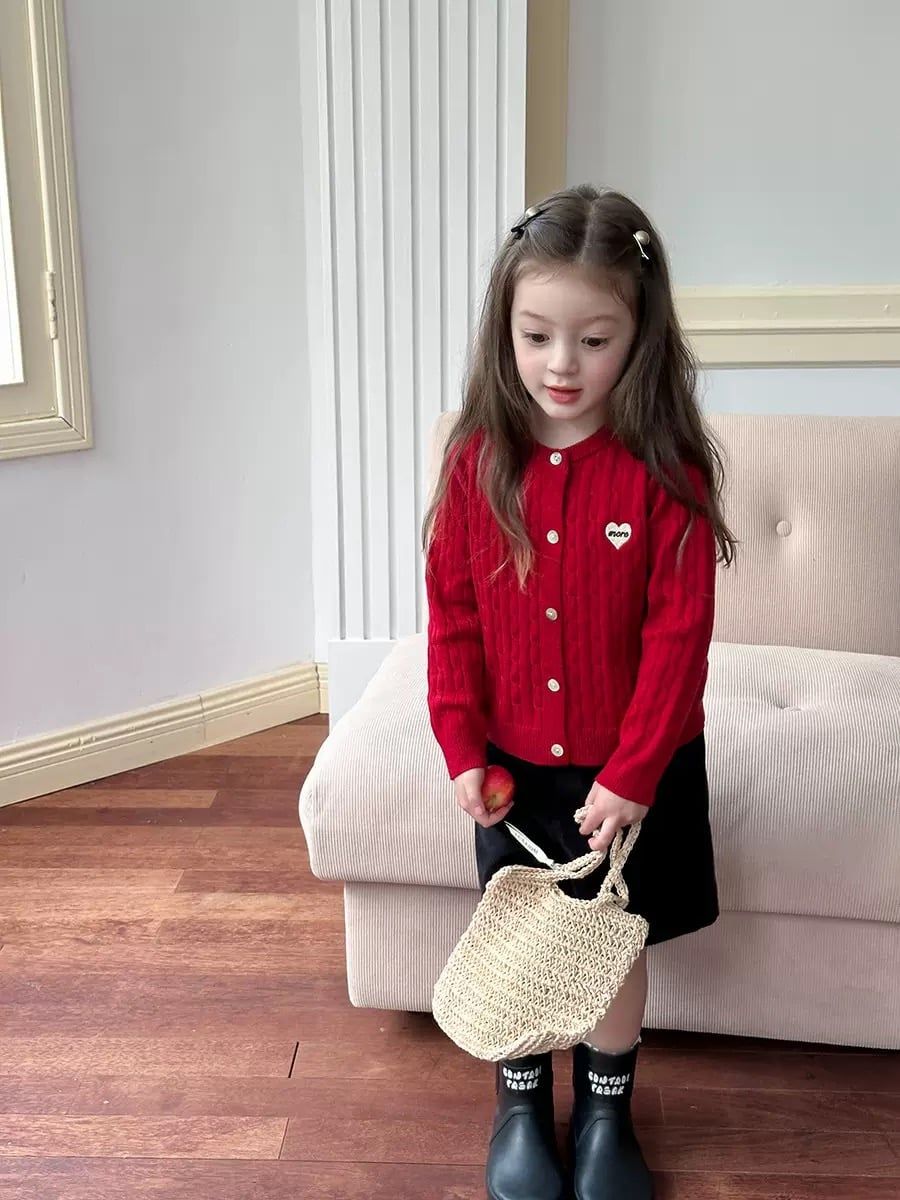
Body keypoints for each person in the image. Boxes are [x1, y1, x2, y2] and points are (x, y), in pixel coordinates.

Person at [421, 184, 739, 1200]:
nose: (563, 364)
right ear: (505, 331)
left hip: (632, 775)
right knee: (526, 939)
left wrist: (635, 774)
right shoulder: (479, 462)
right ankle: (519, 1110)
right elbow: (453, 620)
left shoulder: (665, 469)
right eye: (537, 336)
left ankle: (606, 1117)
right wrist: (462, 748)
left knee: (610, 945)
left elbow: (678, 640)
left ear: (639, 336)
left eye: (594, 340)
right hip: (516, 775)